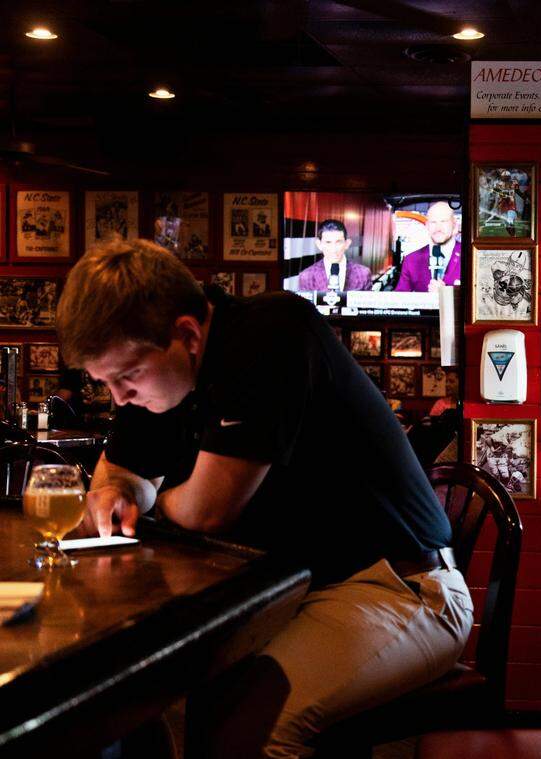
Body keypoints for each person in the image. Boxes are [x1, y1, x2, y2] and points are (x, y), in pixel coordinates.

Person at [55, 239, 472, 757]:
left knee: (249, 733)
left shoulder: (269, 334)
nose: (119, 398)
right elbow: (118, 479)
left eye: (127, 377)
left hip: (398, 588)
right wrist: (117, 491)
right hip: (288, 593)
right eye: (105, 383)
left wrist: (148, 503)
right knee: (165, 704)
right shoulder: (155, 374)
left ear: (186, 334)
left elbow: (207, 512)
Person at [395, 202, 461, 293]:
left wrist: (448, 294)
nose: (438, 228)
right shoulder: (411, 260)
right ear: (427, 226)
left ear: (455, 226)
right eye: (433, 222)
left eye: (443, 221)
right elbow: (400, 300)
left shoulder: (472, 258)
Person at [296, 219, 372, 291]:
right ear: (319, 244)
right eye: (328, 242)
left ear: (347, 244)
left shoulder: (363, 274)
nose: (334, 249)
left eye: (338, 242)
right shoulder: (307, 276)